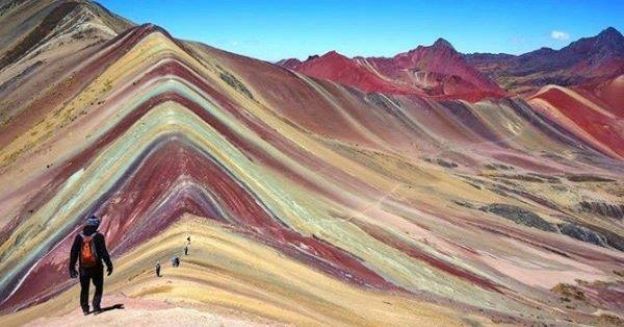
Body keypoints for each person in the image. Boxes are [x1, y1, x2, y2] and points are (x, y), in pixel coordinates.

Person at [69, 215, 113, 315]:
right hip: (97, 267)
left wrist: (72, 268)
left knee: (84, 288)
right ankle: (96, 307)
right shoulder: (99, 236)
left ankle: (85, 309)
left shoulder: (79, 237)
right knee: (98, 286)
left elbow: (74, 252)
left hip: (83, 268)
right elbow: (103, 253)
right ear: (96, 225)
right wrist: (109, 265)